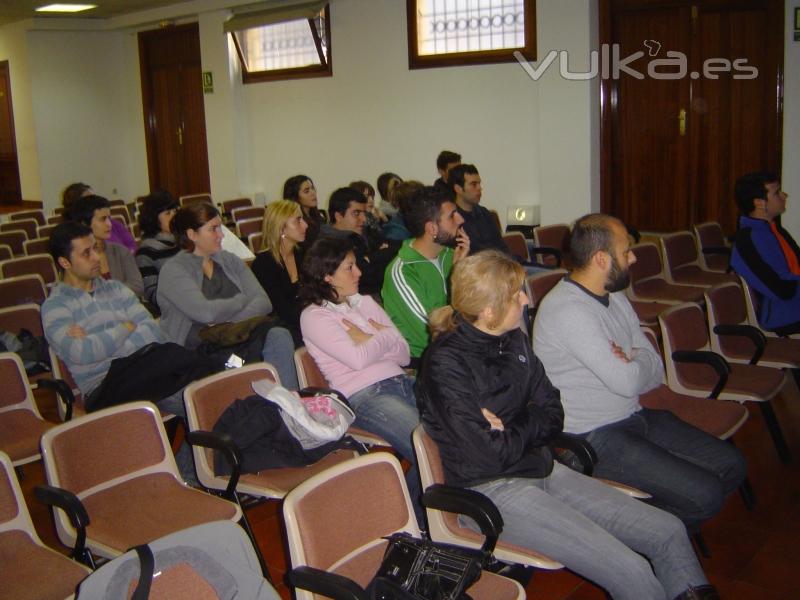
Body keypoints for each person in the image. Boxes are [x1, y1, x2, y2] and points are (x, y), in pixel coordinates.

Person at [416, 250, 717, 600]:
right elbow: (490, 455)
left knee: (668, 530)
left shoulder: (512, 338)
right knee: (630, 570)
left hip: (542, 467)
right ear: (488, 310)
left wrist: (515, 426)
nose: (527, 299)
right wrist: (529, 419)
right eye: (517, 295)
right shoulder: (444, 364)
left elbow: (554, 410)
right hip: (492, 492)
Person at [533, 213, 746, 531]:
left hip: (633, 415)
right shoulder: (568, 311)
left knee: (733, 465)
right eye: (626, 251)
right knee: (706, 495)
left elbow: (653, 368)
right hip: (592, 438)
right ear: (602, 259)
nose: (633, 257)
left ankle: (656, 529)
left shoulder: (614, 296)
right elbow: (628, 380)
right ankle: (642, 536)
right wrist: (635, 361)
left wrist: (635, 361)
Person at [42, 222, 219, 481]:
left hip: (147, 373)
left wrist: (104, 336)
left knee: (207, 399)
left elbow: (153, 332)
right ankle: (188, 478)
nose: (97, 258)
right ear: (64, 262)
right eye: (86, 253)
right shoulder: (55, 306)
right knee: (190, 384)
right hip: (105, 385)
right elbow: (82, 353)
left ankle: (184, 478)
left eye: (96, 249)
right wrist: (125, 326)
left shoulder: (116, 289)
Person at [298, 236, 423, 521]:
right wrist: (383, 335)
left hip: (402, 381)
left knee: (457, 432)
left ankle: (408, 516)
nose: (359, 273)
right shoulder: (314, 316)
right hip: (366, 396)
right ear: (327, 276)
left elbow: (403, 354)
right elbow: (358, 360)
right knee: (429, 447)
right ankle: (409, 523)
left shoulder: (364, 303)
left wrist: (370, 339)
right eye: (349, 268)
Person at [157, 203, 299, 390]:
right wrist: (240, 300)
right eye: (213, 229)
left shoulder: (230, 260)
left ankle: (292, 407)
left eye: (220, 228)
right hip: (199, 350)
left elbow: (263, 302)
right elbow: (206, 313)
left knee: (279, 335)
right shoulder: (174, 270)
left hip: (238, 338)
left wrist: (230, 324)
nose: (221, 235)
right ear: (192, 235)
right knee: (244, 364)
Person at [382, 186, 469, 365]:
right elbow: (436, 329)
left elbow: (476, 305)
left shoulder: (451, 255)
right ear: (431, 228)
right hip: (428, 363)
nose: (461, 219)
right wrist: (456, 276)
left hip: (461, 351)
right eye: (452, 215)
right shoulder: (402, 272)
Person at [731, 172, 800, 336]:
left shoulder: (773, 229)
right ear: (759, 203)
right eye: (777, 193)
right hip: (780, 312)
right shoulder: (747, 240)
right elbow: (781, 290)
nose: (784, 195)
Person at [318, 187, 397, 295]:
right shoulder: (328, 244)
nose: (363, 219)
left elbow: (396, 247)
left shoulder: (361, 231)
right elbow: (368, 276)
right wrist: (379, 255)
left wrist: (371, 258)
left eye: (364, 213)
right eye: (356, 213)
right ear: (338, 216)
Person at [251, 200, 308, 338]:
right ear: (281, 228)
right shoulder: (264, 264)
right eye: (298, 220)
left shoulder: (304, 254)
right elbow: (282, 310)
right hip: (282, 328)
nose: (305, 225)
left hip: (307, 321)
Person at [72, 195, 144, 297]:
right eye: (103, 219)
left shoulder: (121, 251)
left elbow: (138, 287)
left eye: (109, 218)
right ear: (84, 224)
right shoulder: (77, 258)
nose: (109, 224)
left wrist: (105, 294)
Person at [448, 163, 509, 255]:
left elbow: (502, 247)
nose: (480, 188)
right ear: (458, 189)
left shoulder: (485, 214)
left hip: (498, 265)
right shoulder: (452, 220)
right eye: (473, 184)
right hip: (477, 267)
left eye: (479, 183)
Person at [135, 190, 180, 311]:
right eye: (168, 213)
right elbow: (152, 295)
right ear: (154, 218)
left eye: (175, 211)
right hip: (175, 314)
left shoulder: (183, 242)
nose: (174, 216)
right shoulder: (146, 252)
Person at [62, 182, 136, 252]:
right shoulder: (74, 236)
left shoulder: (111, 222)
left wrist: (126, 257)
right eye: (89, 200)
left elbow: (131, 244)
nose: (95, 201)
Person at [283, 175, 324, 249]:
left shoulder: (317, 216)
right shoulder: (296, 223)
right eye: (306, 191)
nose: (313, 193)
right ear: (295, 197)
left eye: (313, 188)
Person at [349, 180, 387, 251]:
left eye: (372, 196)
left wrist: (383, 220)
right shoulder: (355, 221)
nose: (371, 200)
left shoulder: (373, 217)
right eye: (366, 197)